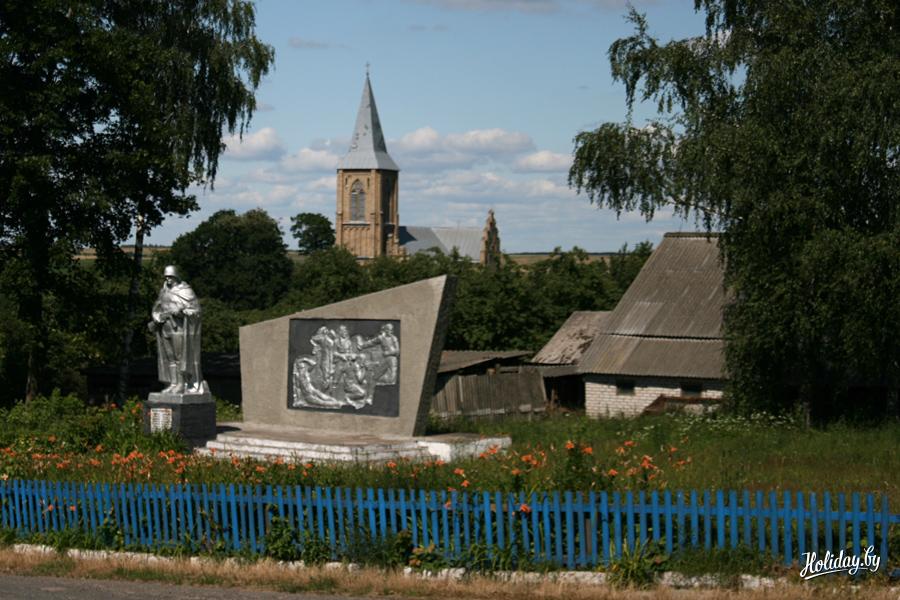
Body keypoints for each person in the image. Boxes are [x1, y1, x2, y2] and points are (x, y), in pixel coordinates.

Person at [148, 265, 204, 394]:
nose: (167, 279)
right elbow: (157, 307)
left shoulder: (186, 291)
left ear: (176, 276)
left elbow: (196, 311)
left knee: (180, 358)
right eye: (166, 277)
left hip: (178, 328)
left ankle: (181, 384)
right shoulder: (164, 291)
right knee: (170, 358)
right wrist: (157, 317)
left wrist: (180, 312)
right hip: (165, 328)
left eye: (170, 277)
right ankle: (173, 383)